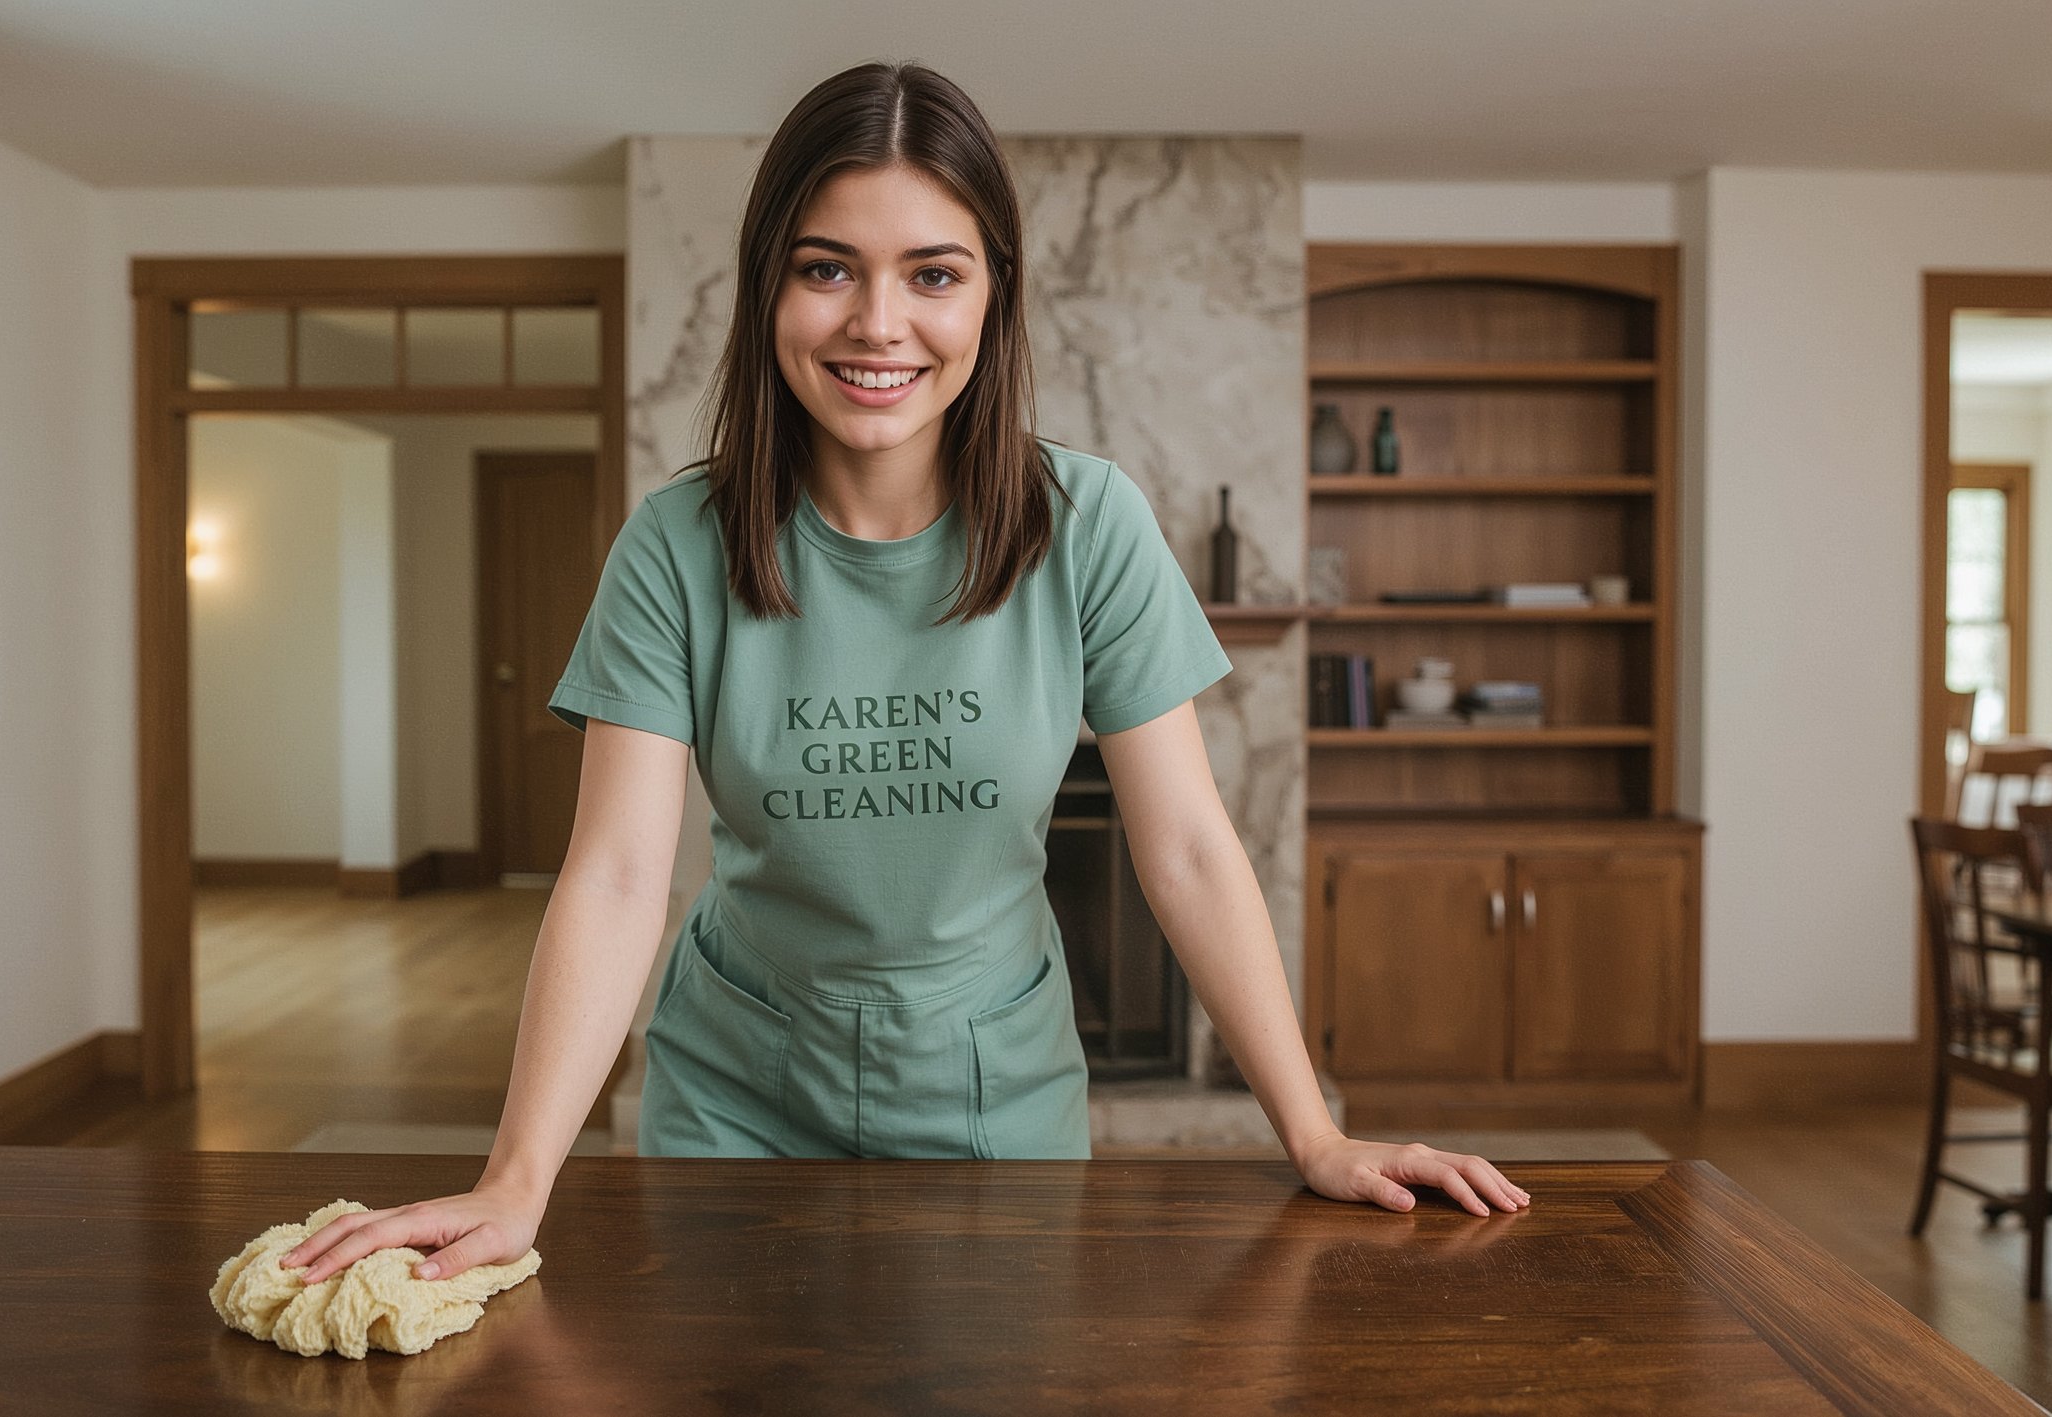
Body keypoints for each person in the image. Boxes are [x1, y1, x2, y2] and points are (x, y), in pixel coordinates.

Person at [284, 60, 1526, 1288]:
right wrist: (516, 1178)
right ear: (769, 286)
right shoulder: (677, 542)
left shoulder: (1086, 522)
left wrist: (1311, 1131)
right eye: (828, 268)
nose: (878, 323)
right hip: (732, 1092)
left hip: (995, 1090)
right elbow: (616, 873)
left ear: (993, 295)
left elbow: (1191, 847)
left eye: (933, 273)